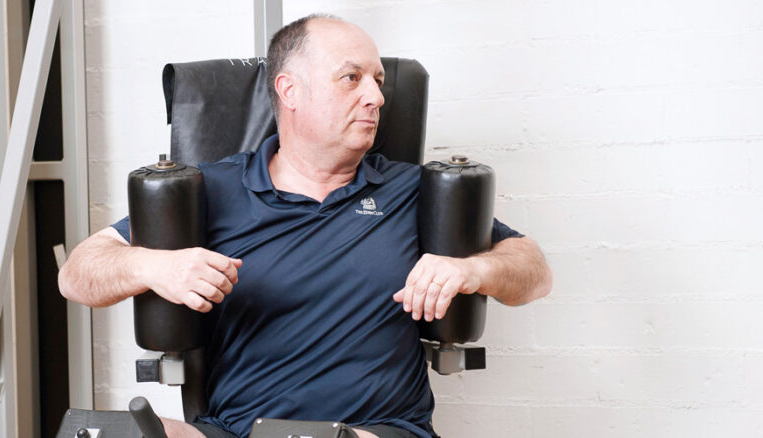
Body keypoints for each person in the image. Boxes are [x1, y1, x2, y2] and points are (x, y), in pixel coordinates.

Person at [58, 14, 552, 438]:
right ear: (289, 90)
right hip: (234, 429)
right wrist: (153, 266)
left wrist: (473, 270)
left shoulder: (412, 190)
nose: (376, 96)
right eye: (352, 78)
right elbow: (77, 274)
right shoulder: (213, 189)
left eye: (378, 80)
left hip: (376, 429)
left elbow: (534, 270)